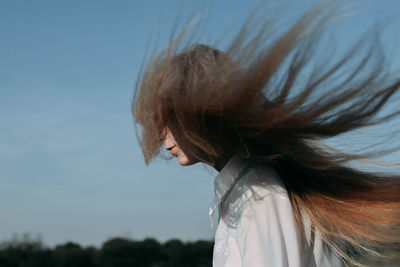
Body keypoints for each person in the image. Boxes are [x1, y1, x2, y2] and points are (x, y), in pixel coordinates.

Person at [132, 3, 400, 267]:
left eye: (165, 119)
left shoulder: (260, 196)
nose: (157, 136)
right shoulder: (249, 191)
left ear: (198, 114)